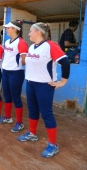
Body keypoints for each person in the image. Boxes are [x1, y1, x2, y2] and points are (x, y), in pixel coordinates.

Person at [18, 22, 70, 158]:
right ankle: (32, 134)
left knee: (46, 113)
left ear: (38, 32)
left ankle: (53, 145)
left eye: (30, 31)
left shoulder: (50, 46)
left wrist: (63, 81)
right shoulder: (31, 46)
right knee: (33, 109)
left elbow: (65, 62)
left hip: (44, 85)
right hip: (30, 83)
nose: (29, 33)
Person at [0, 21, 28, 133]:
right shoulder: (7, 41)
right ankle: (8, 117)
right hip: (5, 71)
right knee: (6, 95)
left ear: (15, 29)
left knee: (16, 97)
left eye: (8, 28)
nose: (6, 29)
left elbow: (24, 61)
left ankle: (19, 123)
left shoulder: (21, 42)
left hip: (16, 72)